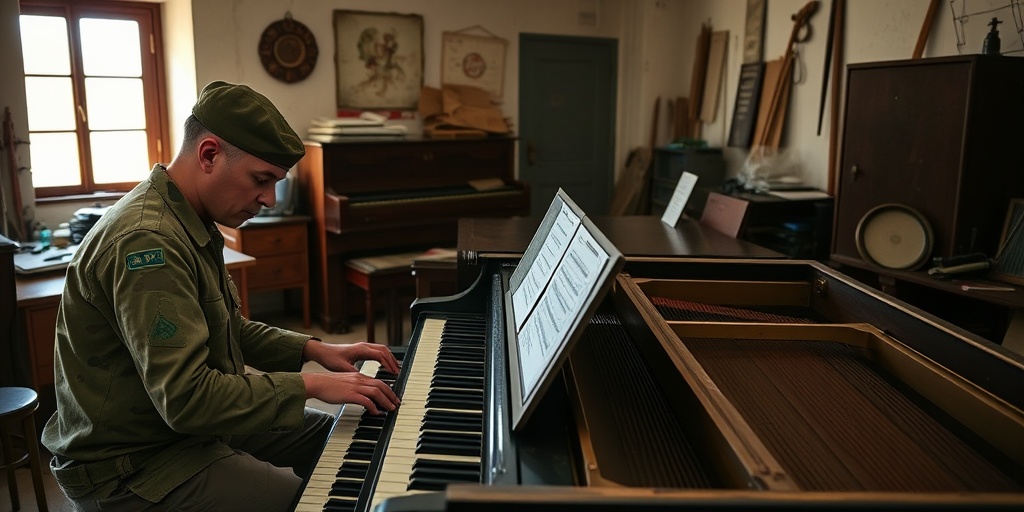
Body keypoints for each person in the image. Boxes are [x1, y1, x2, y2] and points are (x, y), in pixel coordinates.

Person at [41, 81, 402, 511]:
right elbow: (188, 398)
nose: (269, 199)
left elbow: (225, 329)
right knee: (301, 503)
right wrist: (309, 385)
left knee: (354, 438)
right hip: (132, 463)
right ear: (209, 154)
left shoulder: (187, 215)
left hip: (182, 427)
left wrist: (314, 348)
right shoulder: (147, 240)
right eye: (261, 180)